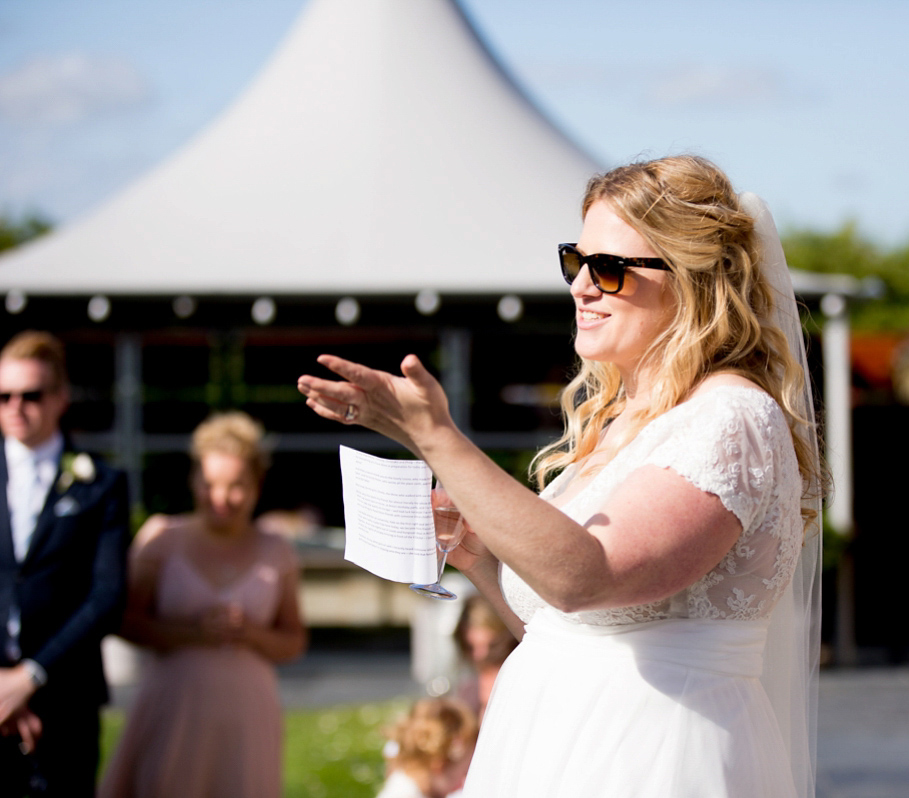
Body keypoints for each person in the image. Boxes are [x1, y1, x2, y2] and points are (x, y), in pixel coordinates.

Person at [298, 155, 824, 797]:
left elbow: (588, 576)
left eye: (609, 269)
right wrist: (478, 558)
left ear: (692, 281)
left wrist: (435, 437)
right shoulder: (615, 423)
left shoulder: (731, 416)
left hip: (657, 755)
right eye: (576, 262)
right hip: (553, 746)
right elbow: (564, 629)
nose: (580, 287)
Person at [99, 411, 307, 798]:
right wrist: (193, 633)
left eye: (236, 486)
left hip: (248, 713)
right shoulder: (161, 537)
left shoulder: (277, 550)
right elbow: (124, 621)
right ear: (194, 478)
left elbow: (294, 641)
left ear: (258, 484)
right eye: (210, 484)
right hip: (173, 708)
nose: (221, 498)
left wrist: (250, 633)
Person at [0, 330, 129, 797]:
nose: (16, 406)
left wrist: (30, 677)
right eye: (4, 395)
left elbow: (107, 597)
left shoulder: (101, 483)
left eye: (30, 395)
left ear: (59, 398)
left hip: (66, 702)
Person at [377, 698, 477, 798]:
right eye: (466, 772)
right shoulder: (405, 793)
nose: (464, 781)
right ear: (439, 764)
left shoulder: (408, 786)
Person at [451, 595, 517, 716]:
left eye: (492, 645)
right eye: (470, 647)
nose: (480, 656)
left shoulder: (521, 680)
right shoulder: (468, 690)